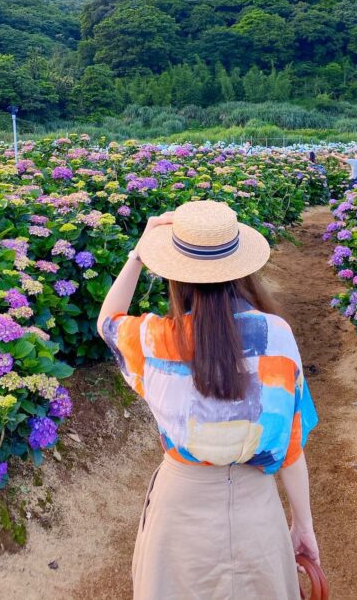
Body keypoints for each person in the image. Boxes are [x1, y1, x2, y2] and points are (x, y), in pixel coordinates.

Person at [97, 200, 319, 600]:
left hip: (179, 510)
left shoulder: (155, 341)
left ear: (175, 275)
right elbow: (290, 445)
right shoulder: (278, 337)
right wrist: (303, 526)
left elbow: (107, 322)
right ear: (240, 268)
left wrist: (137, 255)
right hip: (257, 511)